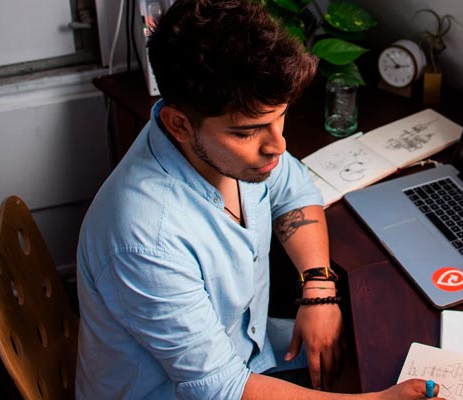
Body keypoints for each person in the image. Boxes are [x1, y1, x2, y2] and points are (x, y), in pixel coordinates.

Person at [74, 0, 443, 399]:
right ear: (179, 123)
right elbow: (222, 388)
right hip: (182, 391)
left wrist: (317, 287)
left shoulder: (234, 152)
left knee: (381, 345)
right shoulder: (146, 239)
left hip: (250, 350)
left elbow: (295, 191)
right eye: (248, 132)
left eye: (279, 116)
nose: (278, 146)